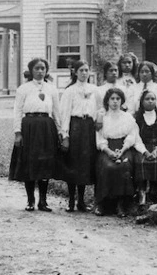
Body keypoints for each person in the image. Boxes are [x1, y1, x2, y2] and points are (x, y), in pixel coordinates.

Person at [9, 58, 62, 212]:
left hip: (46, 126)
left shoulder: (52, 88)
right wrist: (18, 132)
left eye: (43, 68)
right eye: (37, 68)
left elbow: (57, 112)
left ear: (46, 70)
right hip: (29, 127)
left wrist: (60, 132)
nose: (40, 71)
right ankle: (30, 200)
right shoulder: (23, 89)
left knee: (45, 163)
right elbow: (17, 111)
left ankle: (43, 201)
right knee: (30, 162)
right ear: (31, 70)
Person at [94, 88, 150, 217]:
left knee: (123, 166)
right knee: (108, 166)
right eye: (112, 99)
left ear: (122, 101)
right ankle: (103, 204)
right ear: (107, 101)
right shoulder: (103, 118)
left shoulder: (127, 117)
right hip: (107, 148)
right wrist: (109, 152)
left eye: (118, 99)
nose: (115, 102)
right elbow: (100, 139)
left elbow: (132, 136)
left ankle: (121, 204)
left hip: (124, 147)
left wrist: (123, 150)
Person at [55, 60, 98, 212]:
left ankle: (81, 200)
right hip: (75, 127)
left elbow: (98, 109)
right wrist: (65, 135)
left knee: (85, 164)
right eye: (81, 70)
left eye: (86, 70)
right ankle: (71, 200)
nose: (84, 73)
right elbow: (64, 113)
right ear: (75, 72)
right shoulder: (70, 91)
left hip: (89, 128)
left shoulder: (94, 90)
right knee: (73, 162)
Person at [133, 89, 157, 206]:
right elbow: (136, 139)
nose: (150, 101)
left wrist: (156, 150)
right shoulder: (137, 117)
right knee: (140, 161)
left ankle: (154, 191)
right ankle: (142, 192)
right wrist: (144, 152)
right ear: (142, 101)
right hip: (142, 146)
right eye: (147, 99)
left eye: (153, 99)